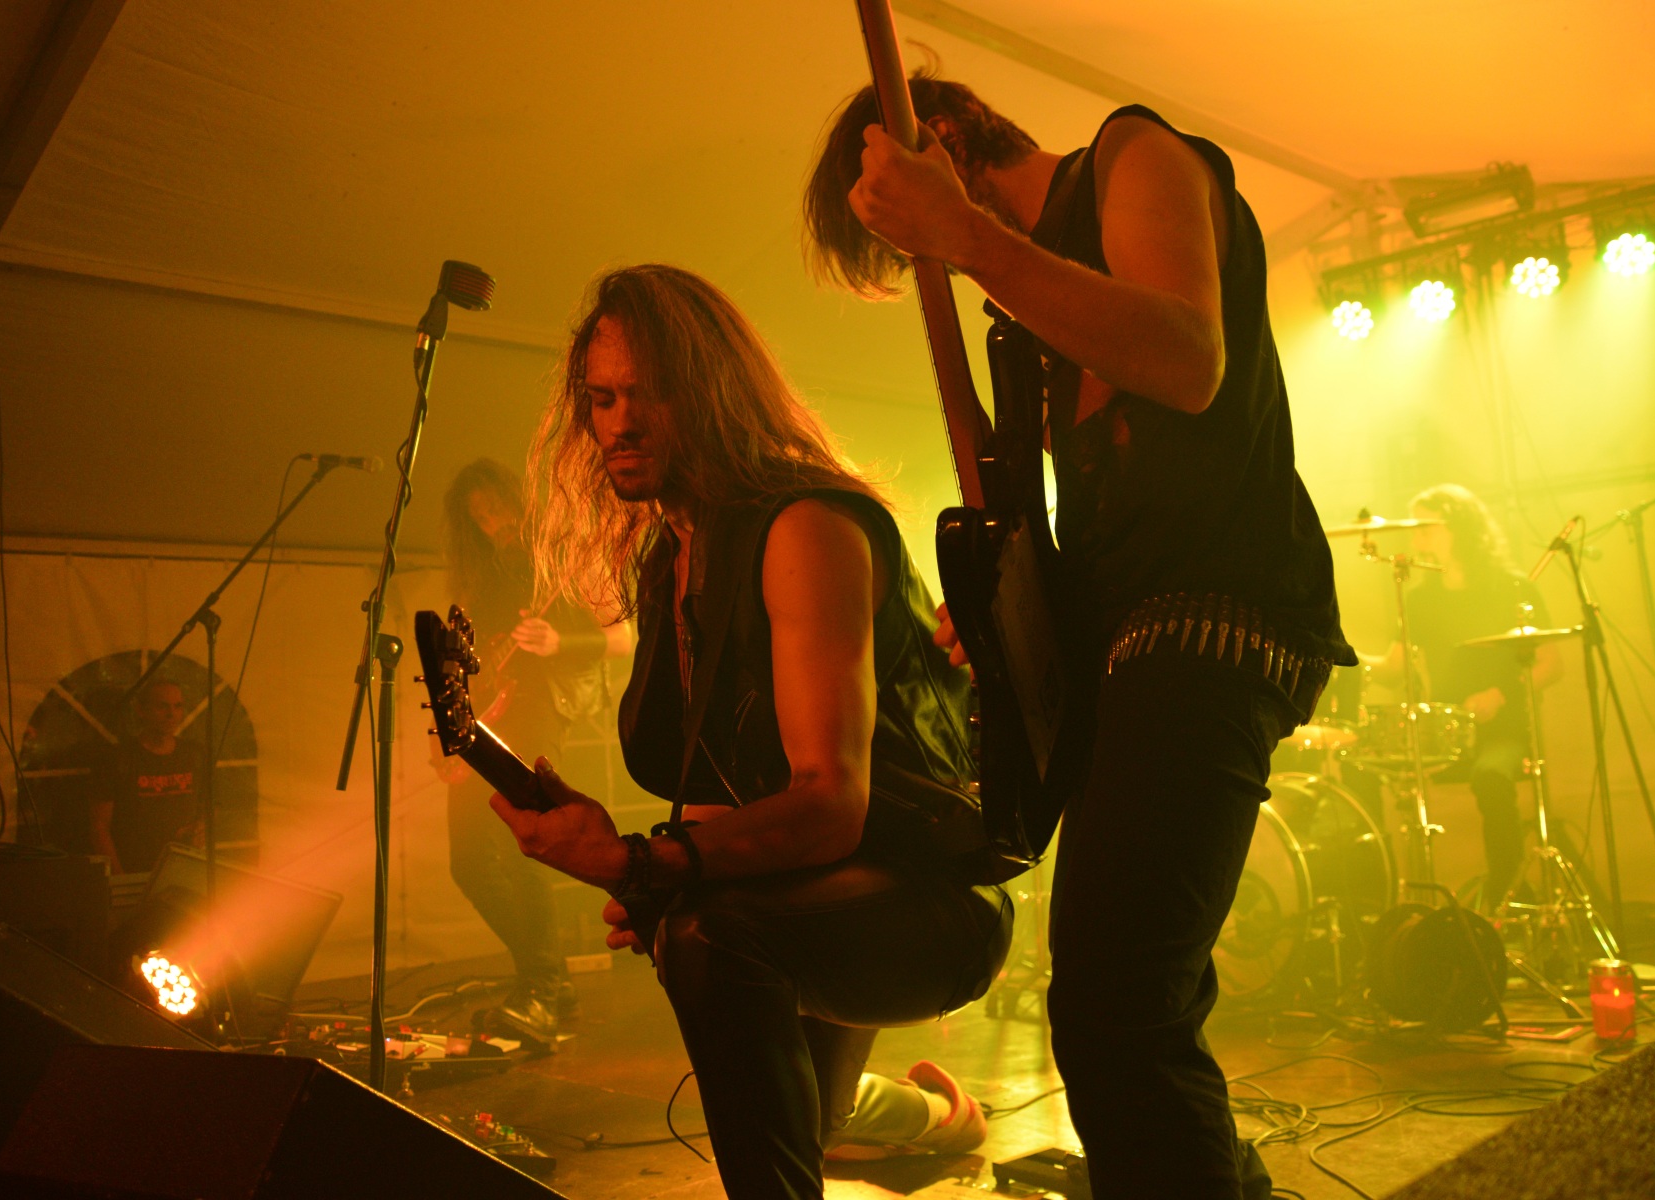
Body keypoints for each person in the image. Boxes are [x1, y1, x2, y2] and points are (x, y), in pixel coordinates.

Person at [805, 75, 1355, 1199]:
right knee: (1127, 1001)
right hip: (1131, 642)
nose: (921, 259)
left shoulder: (1131, 155)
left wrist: (962, 236)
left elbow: (1187, 361)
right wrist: (1013, 614)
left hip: (1214, 622)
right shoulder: (1032, 302)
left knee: (1116, 1006)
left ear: (940, 140)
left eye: (901, 227)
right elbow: (1102, 524)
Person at [490, 265, 1013, 1200]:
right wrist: (641, 869)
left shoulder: (804, 528)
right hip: (812, 892)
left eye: (649, 395)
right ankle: (934, 1119)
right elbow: (714, 803)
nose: (620, 424)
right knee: (790, 1082)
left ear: (714, 391)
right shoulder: (672, 559)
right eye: (602, 400)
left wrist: (646, 864)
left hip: (931, 901)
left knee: (708, 933)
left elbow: (830, 807)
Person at [433, 458, 632, 1042]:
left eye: (498, 507)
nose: (493, 522)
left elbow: (624, 637)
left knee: (520, 846)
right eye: (479, 516)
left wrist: (558, 641)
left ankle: (542, 986)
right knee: (468, 862)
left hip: (540, 709)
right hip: (484, 720)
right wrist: (443, 734)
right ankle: (548, 978)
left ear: (520, 500)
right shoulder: (478, 576)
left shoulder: (564, 558)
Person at [1363, 484, 1562, 910]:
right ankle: (1400, 906)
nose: (1417, 537)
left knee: (1491, 777)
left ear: (1462, 529)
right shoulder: (1421, 600)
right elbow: (1395, 668)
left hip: (1504, 730)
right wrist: (1339, 654)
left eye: (1427, 527)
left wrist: (1501, 695)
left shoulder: (1513, 588)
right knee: (1367, 769)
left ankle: (1506, 895)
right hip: (1445, 735)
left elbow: (1550, 663)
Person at [91, 679, 200, 874]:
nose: (171, 714)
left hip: (184, 870)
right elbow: (99, 826)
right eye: (162, 706)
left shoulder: (194, 755)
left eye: (178, 706)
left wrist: (200, 828)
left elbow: (211, 806)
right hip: (134, 870)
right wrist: (119, 878)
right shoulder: (118, 758)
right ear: (141, 710)